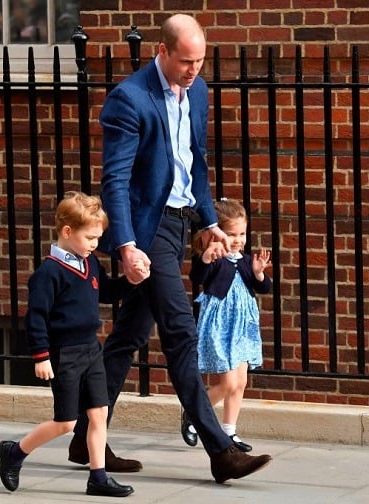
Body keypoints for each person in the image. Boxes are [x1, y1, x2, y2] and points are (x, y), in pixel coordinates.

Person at [67, 13, 272, 484]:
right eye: (185, 62)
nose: (193, 70)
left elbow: (194, 162)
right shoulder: (129, 99)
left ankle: (84, 435)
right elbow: (114, 181)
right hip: (149, 229)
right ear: (162, 51)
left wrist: (209, 221)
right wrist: (125, 245)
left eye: (199, 61)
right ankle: (221, 450)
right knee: (181, 331)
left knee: (129, 335)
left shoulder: (196, 91)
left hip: (181, 225)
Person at [0, 191, 146, 497]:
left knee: (98, 413)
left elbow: (107, 292)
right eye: (90, 237)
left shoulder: (89, 265)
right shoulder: (49, 273)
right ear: (67, 232)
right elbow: (36, 318)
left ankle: (98, 477)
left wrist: (133, 280)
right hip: (64, 354)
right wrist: (41, 356)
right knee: (66, 422)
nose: (95, 244)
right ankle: (15, 451)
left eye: (98, 238)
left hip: (92, 349)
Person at [180, 199, 272, 453]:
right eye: (231, 234)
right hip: (221, 326)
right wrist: (207, 258)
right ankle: (193, 414)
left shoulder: (244, 260)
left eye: (242, 233)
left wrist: (259, 273)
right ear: (217, 233)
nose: (238, 239)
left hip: (243, 327)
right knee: (227, 383)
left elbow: (264, 288)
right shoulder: (213, 258)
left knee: (240, 382)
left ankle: (229, 431)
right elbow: (197, 278)